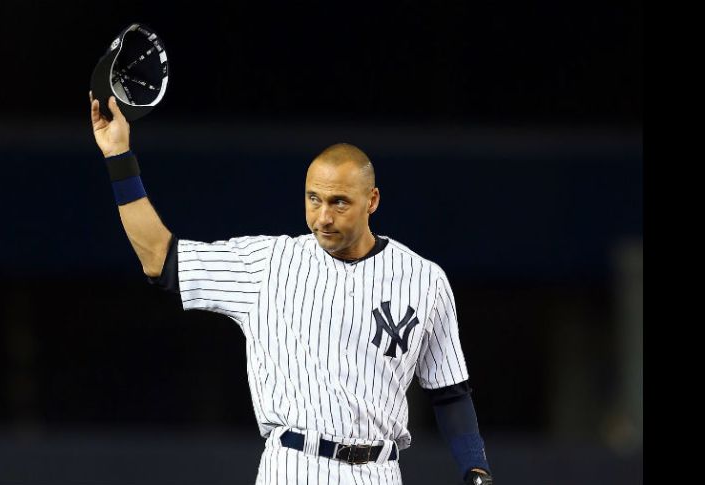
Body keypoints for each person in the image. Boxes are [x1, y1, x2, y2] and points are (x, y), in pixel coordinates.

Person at [89, 93, 495, 485]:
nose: (322, 217)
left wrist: (475, 468)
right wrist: (118, 156)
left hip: (379, 471)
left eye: (339, 202)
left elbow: (450, 392)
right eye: (313, 199)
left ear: (372, 200)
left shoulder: (424, 279)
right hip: (294, 465)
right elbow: (159, 257)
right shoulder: (268, 264)